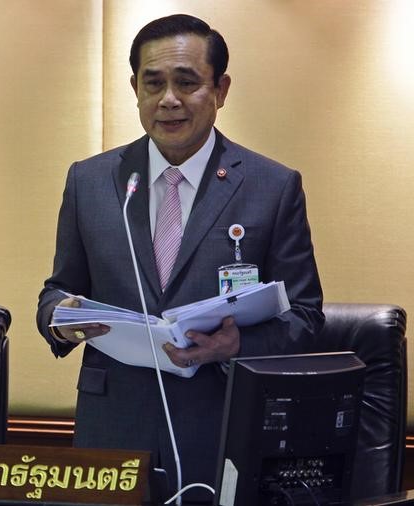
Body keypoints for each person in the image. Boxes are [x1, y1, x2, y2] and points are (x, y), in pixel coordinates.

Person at [36, 14, 323, 503]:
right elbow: (57, 290)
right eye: (153, 84)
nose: (168, 99)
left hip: (219, 424)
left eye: (186, 83)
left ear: (221, 89)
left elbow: (306, 318)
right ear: (136, 89)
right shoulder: (92, 181)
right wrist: (60, 320)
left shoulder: (271, 187)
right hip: (113, 429)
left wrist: (235, 346)